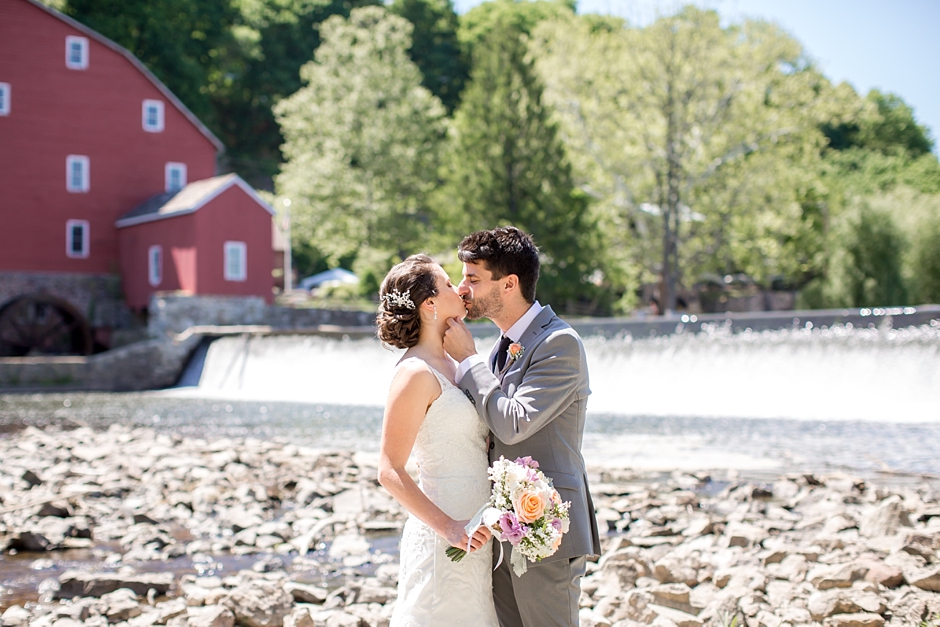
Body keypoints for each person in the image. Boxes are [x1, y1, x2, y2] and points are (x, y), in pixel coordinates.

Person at [443, 227, 601, 627]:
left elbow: (514, 423)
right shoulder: (503, 345)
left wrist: (469, 360)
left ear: (509, 284)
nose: (462, 289)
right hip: (500, 526)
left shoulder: (558, 343)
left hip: (547, 527)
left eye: (473, 279)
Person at [375, 254, 499, 627]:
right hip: (445, 536)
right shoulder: (415, 373)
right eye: (448, 284)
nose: (460, 289)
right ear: (429, 305)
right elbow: (389, 469)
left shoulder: (459, 365)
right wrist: (448, 527)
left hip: (478, 536)